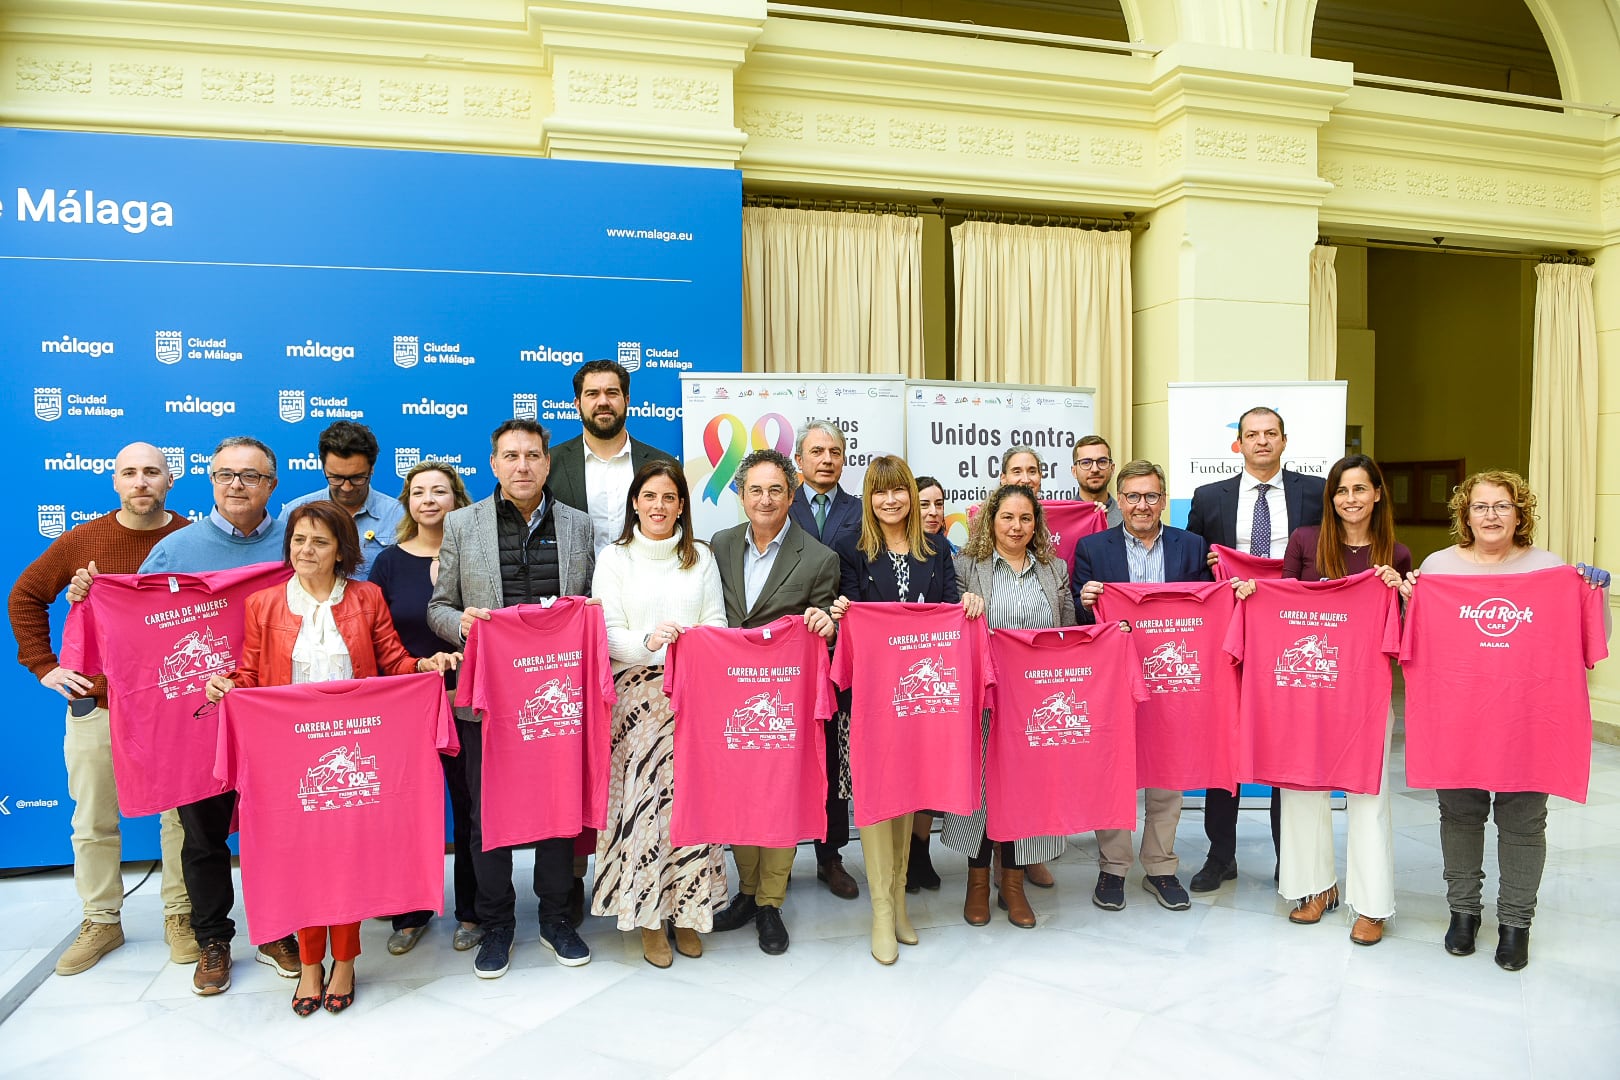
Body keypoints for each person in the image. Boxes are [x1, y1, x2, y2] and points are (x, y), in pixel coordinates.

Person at [204, 501, 458, 1015]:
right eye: (298, 540)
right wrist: (227, 684)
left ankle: (344, 959)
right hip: (289, 757)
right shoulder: (264, 604)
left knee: (346, 858)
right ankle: (310, 961)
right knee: (299, 860)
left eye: (319, 542)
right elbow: (251, 673)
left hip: (357, 748)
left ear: (342, 550)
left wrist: (423, 664)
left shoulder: (366, 598)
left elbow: (391, 660)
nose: (305, 550)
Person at [81, 437, 300, 995]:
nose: (236, 486)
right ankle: (213, 940)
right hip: (198, 723)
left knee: (272, 830)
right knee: (202, 838)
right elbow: (138, 627)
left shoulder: (296, 541)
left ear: (271, 485)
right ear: (209, 481)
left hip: (275, 719)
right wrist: (92, 594)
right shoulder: (175, 550)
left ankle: (277, 931)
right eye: (225, 475)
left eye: (250, 477)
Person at [1401, 469, 1611, 970]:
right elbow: (1412, 643)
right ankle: (1463, 913)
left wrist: (1592, 591)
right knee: (1460, 814)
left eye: (1502, 506)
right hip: (1457, 717)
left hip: (1528, 719)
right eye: (1480, 506)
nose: (1491, 515)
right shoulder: (1438, 568)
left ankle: (1516, 921)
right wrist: (1413, 598)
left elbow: (1591, 639)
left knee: (1523, 820)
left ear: (1520, 515)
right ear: (1464, 515)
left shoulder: (1550, 570)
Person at [8, 442, 192, 975]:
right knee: (91, 818)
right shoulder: (84, 539)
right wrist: (44, 667)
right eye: (130, 473)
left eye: (151, 473)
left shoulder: (191, 539)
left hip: (171, 707)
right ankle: (100, 919)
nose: (141, 482)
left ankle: (180, 915)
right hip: (97, 702)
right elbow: (25, 595)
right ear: (114, 481)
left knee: (180, 818)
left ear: (169, 480)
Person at [426, 419, 597, 977]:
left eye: (532, 456)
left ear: (548, 464)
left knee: (556, 809)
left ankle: (555, 919)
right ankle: (496, 924)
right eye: (510, 456)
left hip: (554, 698)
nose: (522, 466)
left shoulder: (580, 526)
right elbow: (438, 606)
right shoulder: (461, 524)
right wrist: (464, 626)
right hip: (490, 699)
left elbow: (593, 605)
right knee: (485, 816)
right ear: (493, 464)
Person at [1241, 454, 1411, 947]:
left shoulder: (1395, 554)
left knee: (1369, 796)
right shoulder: (1304, 541)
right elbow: (1283, 602)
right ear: (1330, 497)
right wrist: (1255, 593)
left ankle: (1372, 904)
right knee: (1301, 789)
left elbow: (1402, 634)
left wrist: (1401, 594)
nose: (1350, 499)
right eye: (1341, 491)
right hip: (1303, 688)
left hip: (1363, 693)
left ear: (1377, 493)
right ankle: (1315, 888)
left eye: (1360, 489)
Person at [828, 455, 983, 963]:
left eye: (899, 491)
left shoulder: (937, 549)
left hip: (920, 701)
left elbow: (947, 608)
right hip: (870, 698)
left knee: (911, 792)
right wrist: (842, 614)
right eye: (880, 492)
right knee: (876, 797)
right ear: (868, 498)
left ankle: (899, 903)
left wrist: (970, 605)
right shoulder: (849, 551)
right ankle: (878, 910)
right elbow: (849, 623)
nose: (891, 500)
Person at [590, 460, 727, 967]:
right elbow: (604, 629)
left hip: (692, 697)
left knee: (689, 805)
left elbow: (716, 620)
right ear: (634, 503)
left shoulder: (701, 558)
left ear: (682, 506)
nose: (659, 506)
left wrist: (690, 644)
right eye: (650, 496)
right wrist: (649, 643)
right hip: (636, 700)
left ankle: (688, 911)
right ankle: (648, 916)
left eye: (669, 498)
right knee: (645, 808)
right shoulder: (615, 557)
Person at [1183, 406, 1325, 892]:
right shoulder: (1208, 497)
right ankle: (1221, 854)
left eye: (1270, 434)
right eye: (1251, 435)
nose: (1261, 442)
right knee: (1226, 739)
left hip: (1291, 632)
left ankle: (1292, 858)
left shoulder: (1316, 492)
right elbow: (1197, 568)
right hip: (1231, 633)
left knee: (1284, 739)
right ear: (1237, 444)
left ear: (1285, 441)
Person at [709, 448, 840, 955]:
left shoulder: (819, 557)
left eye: (776, 490)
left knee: (780, 797)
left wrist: (827, 623)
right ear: (741, 496)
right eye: (755, 490)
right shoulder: (717, 546)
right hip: (730, 697)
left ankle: (770, 902)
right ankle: (745, 891)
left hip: (784, 703)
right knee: (739, 793)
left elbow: (826, 624)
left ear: (792, 496)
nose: (765, 499)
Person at [1073, 459, 1209, 914]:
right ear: (1120, 500)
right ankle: (1113, 869)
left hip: (1173, 680)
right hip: (1114, 677)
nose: (1142, 505)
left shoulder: (1192, 547)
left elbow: (1207, 613)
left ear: (1164, 500)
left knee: (1167, 773)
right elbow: (1076, 616)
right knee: (1114, 770)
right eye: (1132, 496)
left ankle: (1161, 868)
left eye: (1151, 496)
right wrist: (1086, 599)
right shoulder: (1093, 548)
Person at [942, 483, 1077, 928]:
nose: (1016, 527)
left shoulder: (1054, 570)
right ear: (989, 521)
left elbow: (1068, 636)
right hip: (983, 702)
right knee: (981, 793)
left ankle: (1013, 884)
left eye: (1025, 518)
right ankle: (977, 882)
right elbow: (952, 635)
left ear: (1036, 524)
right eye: (1007, 518)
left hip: (1034, 708)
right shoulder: (965, 567)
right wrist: (963, 606)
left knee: (1025, 793)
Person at [369, 461, 482, 956]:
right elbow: (376, 634)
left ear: (457, 499)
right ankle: (409, 912)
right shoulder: (389, 563)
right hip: (406, 701)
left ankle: (473, 912)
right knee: (408, 808)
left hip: (468, 700)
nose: (430, 500)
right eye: (419, 492)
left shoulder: (476, 558)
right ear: (407, 502)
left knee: (470, 805)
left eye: (440, 491)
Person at [787, 420, 862, 900]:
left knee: (833, 758)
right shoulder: (777, 501)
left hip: (840, 654)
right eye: (817, 451)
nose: (827, 459)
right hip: (785, 655)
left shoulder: (863, 510)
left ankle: (830, 855)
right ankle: (775, 858)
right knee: (785, 753)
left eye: (835, 450)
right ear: (799, 460)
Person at [547, 358, 679, 557]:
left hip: (645, 584)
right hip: (575, 587)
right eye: (592, 394)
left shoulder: (663, 464)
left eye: (612, 393)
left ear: (626, 400)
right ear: (577, 404)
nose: (603, 402)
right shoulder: (550, 464)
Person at [280, 421, 404, 582]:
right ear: (323, 468)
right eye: (336, 478)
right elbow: (283, 575)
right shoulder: (294, 512)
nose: (346, 487)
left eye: (357, 477)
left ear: (372, 468)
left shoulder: (399, 515)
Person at [907, 474, 952, 891]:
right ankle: (902, 854)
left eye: (939, 504)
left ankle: (921, 850)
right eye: (925, 504)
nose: (934, 512)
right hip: (899, 675)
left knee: (930, 769)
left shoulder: (943, 550)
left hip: (936, 671)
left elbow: (953, 603)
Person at [1071, 435, 1122, 527]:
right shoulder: (1063, 517)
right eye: (1086, 463)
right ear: (1074, 471)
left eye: (1102, 461)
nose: (1095, 469)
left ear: (1112, 468)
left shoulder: (1126, 517)